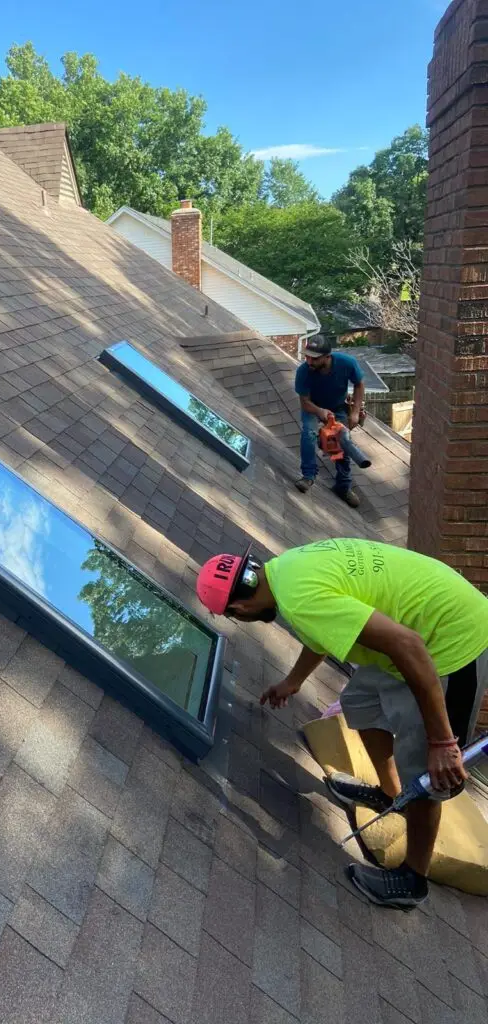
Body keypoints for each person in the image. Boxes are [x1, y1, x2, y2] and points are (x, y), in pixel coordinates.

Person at [195, 538, 488, 911]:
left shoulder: (300, 600)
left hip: (451, 643)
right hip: (415, 632)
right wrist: (293, 682)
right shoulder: (285, 571)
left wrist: (443, 741)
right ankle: (389, 793)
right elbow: (324, 631)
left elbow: (408, 645)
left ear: (238, 608)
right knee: (359, 702)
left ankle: (413, 880)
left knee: (428, 772)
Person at [295, 335, 365, 508]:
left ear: (327, 357)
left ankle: (343, 486)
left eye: (314, 358)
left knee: (342, 440)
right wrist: (320, 411)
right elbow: (304, 402)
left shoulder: (346, 363)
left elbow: (359, 384)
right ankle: (308, 476)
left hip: (338, 407)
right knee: (309, 434)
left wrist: (355, 412)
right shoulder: (303, 372)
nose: (309, 361)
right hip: (313, 407)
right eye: (307, 356)